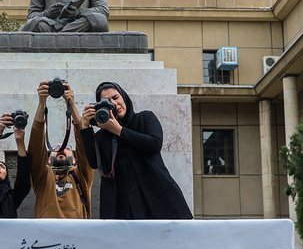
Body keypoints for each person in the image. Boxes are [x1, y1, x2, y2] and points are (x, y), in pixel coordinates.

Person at [80, 82, 192, 220]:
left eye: (115, 97)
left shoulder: (144, 118)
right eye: (107, 102)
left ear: (124, 97)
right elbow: (93, 163)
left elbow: (154, 144)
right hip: (120, 205)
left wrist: (118, 130)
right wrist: (85, 127)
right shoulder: (102, 136)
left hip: (153, 198)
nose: (114, 103)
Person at [27, 81, 93, 219]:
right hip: (46, 231)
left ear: (74, 160)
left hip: (77, 231)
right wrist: (42, 103)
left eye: (66, 148)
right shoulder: (43, 176)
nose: (61, 149)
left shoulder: (81, 175)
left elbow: (84, 146)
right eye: (55, 149)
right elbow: (36, 148)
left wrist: (72, 105)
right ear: (48, 159)